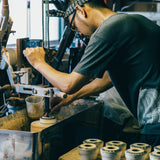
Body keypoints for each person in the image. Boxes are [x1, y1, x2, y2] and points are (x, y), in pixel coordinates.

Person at [23, 0, 160, 147]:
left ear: (80, 11)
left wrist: (38, 62)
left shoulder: (109, 29)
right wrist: (72, 97)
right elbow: (107, 79)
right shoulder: (134, 21)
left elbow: (68, 84)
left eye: (74, 26)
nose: (79, 33)